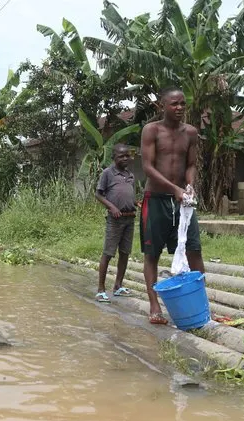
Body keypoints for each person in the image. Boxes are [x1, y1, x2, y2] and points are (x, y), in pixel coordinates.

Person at [139, 86, 205, 325]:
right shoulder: (152, 130)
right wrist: (173, 189)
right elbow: (148, 167)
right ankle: (154, 306)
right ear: (162, 106)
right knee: (151, 254)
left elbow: (191, 164)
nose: (179, 108)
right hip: (156, 199)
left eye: (182, 104)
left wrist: (188, 186)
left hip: (182, 202)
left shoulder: (191, 133)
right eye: (174, 104)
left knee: (194, 250)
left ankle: (200, 302)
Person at [94, 144, 137, 302]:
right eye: (121, 156)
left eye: (127, 155)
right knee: (108, 253)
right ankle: (100, 289)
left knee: (125, 253)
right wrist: (112, 207)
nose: (125, 158)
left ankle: (118, 286)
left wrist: (135, 202)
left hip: (130, 218)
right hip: (115, 220)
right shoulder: (107, 173)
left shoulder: (130, 175)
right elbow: (98, 195)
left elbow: (128, 193)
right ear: (114, 158)